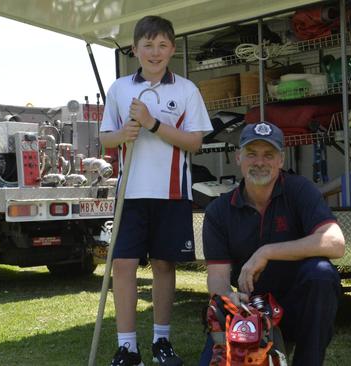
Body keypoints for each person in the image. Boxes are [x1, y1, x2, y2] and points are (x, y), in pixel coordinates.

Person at [99, 15, 212, 366]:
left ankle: (161, 342)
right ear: (135, 50)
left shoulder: (186, 90)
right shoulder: (119, 89)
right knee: (123, 264)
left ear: (172, 50)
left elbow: (194, 143)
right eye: (147, 45)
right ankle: (127, 346)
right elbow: (106, 139)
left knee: (164, 265)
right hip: (130, 195)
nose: (155, 51)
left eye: (162, 45)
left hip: (172, 194)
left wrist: (153, 123)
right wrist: (123, 134)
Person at [198, 121, 345, 366]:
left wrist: (266, 252)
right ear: (238, 158)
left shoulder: (300, 190)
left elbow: (335, 242)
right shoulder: (218, 211)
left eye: (269, 155)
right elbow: (217, 279)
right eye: (251, 154)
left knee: (322, 273)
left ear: (281, 160)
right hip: (249, 313)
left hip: (297, 309)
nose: (260, 162)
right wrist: (227, 298)